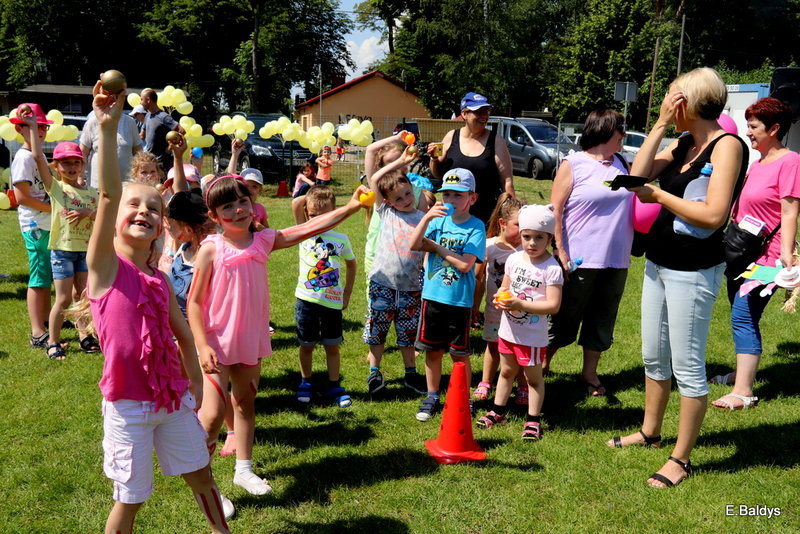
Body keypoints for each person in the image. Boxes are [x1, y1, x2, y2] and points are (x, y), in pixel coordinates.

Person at [84, 83, 231, 534]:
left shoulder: (160, 278)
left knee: (202, 477)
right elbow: (108, 194)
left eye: (154, 207)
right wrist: (108, 131)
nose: (145, 211)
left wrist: (196, 390)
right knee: (131, 499)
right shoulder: (104, 268)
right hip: (127, 405)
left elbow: (184, 336)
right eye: (136, 204)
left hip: (171, 399)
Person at [187, 174, 370, 495]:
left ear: (252, 204)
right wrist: (201, 346)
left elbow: (307, 228)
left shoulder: (263, 240)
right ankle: (205, 482)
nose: (238, 210)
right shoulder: (211, 249)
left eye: (243, 201)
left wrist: (352, 207)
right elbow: (194, 303)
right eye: (227, 206)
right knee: (213, 415)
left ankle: (243, 470)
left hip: (249, 339)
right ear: (214, 215)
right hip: (216, 343)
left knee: (245, 403)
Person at [608, 67, 747, 489]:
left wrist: (660, 196)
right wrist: (661, 124)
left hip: (694, 271)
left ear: (691, 100)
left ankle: (681, 459)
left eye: (673, 96)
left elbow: (714, 215)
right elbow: (639, 171)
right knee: (654, 356)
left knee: (687, 366)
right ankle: (651, 432)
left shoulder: (727, 147)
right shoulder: (684, 141)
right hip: (658, 263)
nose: (668, 101)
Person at [710, 97, 800, 410]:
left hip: (769, 259)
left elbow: (789, 211)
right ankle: (741, 374)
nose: (748, 132)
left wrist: (787, 255)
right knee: (740, 309)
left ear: (774, 129)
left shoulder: (790, 162)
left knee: (744, 313)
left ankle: (744, 391)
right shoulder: (757, 164)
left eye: (753, 126)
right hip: (742, 253)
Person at [545, 110, 633, 395]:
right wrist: (560, 250)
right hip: (579, 257)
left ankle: (589, 374)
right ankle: (540, 365)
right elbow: (554, 210)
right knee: (564, 317)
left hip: (616, 258)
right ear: (607, 131)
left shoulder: (622, 163)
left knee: (602, 319)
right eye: (621, 130)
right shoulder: (574, 163)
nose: (625, 135)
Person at [477, 204, 563, 440]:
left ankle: (533, 420)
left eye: (539, 238)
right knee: (505, 372)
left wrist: (521, 305)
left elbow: (553, 306)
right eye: (527, 237)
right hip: (508, 331)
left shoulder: (552, 268)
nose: (532, 243)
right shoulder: (514, 260)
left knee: (532, 378)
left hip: (532, 337)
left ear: (550, 238)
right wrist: (499, 298)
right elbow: (505, 287)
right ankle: (498, 411)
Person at [410, 168, 486, 422]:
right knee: (432, 352)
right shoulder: (437, 221)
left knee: (459, 354)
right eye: (447, 195)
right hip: (432, 298)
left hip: (458, 301)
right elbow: (413, 244)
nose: (450, 201)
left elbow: (465, 265)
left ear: (471, 199)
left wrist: (436, 247)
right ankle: (432, 395)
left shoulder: (476, 227)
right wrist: (425, 218)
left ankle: (464, 398)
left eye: (457, 195)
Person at [24, 130, 100, 360]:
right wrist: (32, 127)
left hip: (85, 252)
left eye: (76, 162)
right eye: (66, 163)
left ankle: (85, 336)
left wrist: (88, 211)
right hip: (63, 252)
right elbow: (38, 159)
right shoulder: (57, 188)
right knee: (64, 298)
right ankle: (53, 341)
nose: (72, 167)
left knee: (83, 298)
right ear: (56, 167)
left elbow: (101, 215)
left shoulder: (91, 192)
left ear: (83, 164)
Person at [362, 149, 427, 396]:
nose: (405, 200)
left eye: (408, 194)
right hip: (382, 284)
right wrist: (400, 161)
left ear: (413, 189)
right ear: (388, 201)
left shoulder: (423, 218)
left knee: (407, 334)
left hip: (411, 287)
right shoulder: (385, 211)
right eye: (398, 198)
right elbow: (375, 180)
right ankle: (374, 373)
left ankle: (411, 374)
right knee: (377, 332)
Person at [294, 186, 357, 406]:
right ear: (306, 213)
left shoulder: (341, 238)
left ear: (335, 212)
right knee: (307, 345)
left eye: (324, 215)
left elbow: (351, 265)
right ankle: (305, 382)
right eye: (312, 215)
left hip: (332, 303)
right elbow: (295, 203)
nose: (317, 220)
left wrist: (346, 293)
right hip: (306, 302)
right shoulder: (304, 231)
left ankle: (334, 385)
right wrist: (312, 196)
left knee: (332, 346)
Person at [427, 92, 514, 226]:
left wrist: (512, 214)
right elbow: (438, 175)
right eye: (478, 112)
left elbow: (507, 181)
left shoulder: (496, 141)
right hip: (454, 215)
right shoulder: (451, 137)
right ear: (464, 114)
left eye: (486, 111)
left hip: (486, 217)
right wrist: (433, 159)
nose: (484, 116)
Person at [472, 193, 527, 402]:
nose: (523, 232)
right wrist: (474, 308)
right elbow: (478, 278)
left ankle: (522, 385)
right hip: (495, 311)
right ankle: (486, 381)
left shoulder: (528, 249)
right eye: (518, 225)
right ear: (502, 223)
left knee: (520, 348)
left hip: (521, 311)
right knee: (493, 346)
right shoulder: (489, 247)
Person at [10, 103, 55, 350]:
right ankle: (37, 331)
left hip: (46, 222)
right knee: (38, 278)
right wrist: (54, 208)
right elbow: (22, 197)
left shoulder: (38, 156)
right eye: (31, 127)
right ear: (20, 129)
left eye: (42, 128)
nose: (39, 132)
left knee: (47, 275)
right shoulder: (23, 158)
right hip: (34, 224)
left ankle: (47, 319)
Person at [80, 110, 142, 188]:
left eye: (116, 97)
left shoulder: (130, 122)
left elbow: (138, 154)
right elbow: (83, 153)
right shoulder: (92, 122)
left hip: (126, 185)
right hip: (98, 186)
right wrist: (80, 177)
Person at [140, 88, 184, 171]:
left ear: (148, 100)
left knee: (162, 184)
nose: (140, 102)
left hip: (162, 161)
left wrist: (170, 148)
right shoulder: (147, 115)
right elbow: (143, 134)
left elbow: (181, 131)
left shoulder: (164, 117)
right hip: (150, 160)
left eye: (141, 99)